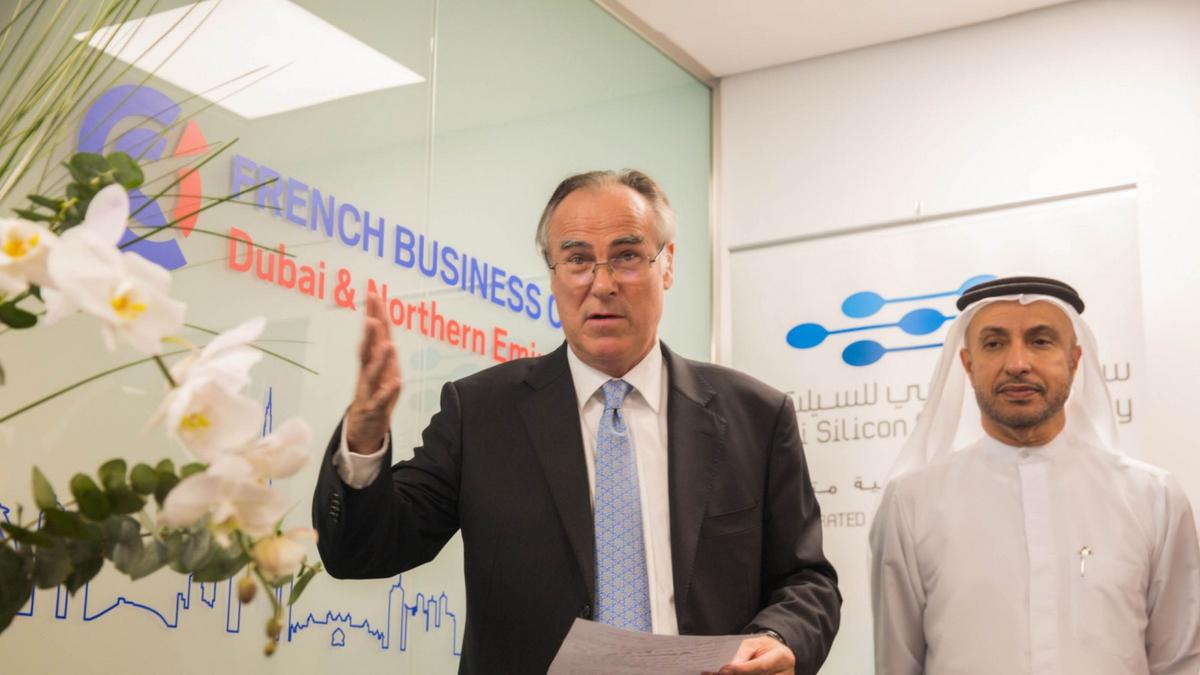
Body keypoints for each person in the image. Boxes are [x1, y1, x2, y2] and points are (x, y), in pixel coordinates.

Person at [312, 170, 841, 674]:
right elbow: (362, 550)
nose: (602, 283)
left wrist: (779, 638)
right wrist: (363, 438)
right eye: (578, 260)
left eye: (627, 256)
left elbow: (806, 579)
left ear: (667, 265)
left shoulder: (756, 415)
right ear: (553, 274)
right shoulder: (481, 413)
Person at [870, 276, 1200, 675]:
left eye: (1040, 341)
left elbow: (1181, 662)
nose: (1017, 364)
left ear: (1074, 360)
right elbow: (897, 665)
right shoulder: (911, 503)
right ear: (968, 364)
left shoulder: (1153, 498)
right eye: (994, 344)